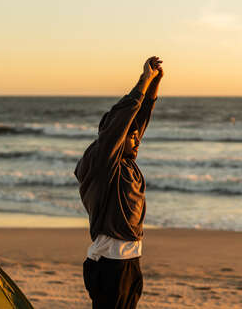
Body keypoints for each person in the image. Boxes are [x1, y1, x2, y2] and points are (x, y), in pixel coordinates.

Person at [75, 56, 163, 309]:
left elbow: (139, 119)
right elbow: (122, 121)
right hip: (111, 264)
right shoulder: (104, 164)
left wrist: (154, 85)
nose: (136, 140)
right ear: (114, 136)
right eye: (130, 136)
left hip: (130, 259)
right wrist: (143, 80)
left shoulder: (126, 163)